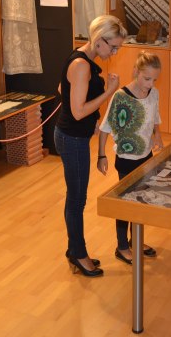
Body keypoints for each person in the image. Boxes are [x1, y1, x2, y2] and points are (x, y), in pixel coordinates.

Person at [55, 14, 126, 277]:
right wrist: (109, 91)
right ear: (99, 40)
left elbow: (62, 88)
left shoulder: (81, 57)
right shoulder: (82, 65)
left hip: (74, 136)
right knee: (76, 200)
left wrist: (93, 123)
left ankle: (75, 249)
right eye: (113, 46)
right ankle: (78, 253)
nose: (114, 52)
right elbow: (76, 111)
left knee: (75, 197)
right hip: (72, 139)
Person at [97, 51, 164, 265]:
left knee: (141, 202)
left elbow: (155, 117)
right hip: (126, 158)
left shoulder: (154, 93)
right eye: (147, 78)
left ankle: (136, 240)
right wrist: (101, 155)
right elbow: (105, 127)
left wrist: (158, 136)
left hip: (146, 156)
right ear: (136, 72)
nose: (150, 83)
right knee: (125, 203)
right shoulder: (121, 97)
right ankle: (122, 246)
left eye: (154, 79)